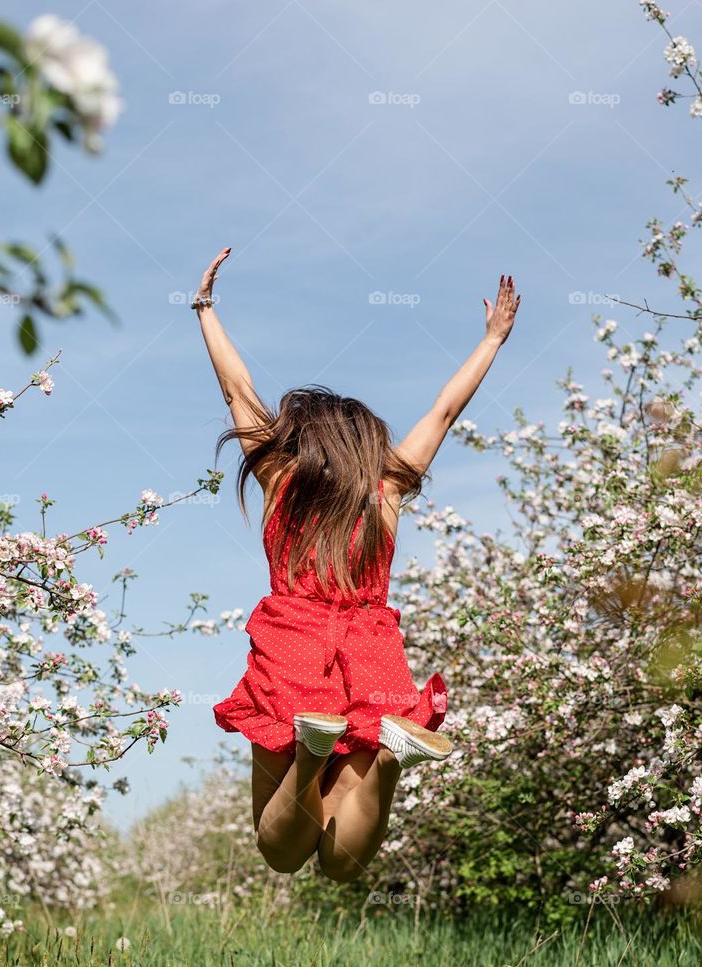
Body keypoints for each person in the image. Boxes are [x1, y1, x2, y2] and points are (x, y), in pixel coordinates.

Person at [193, 247, 520, 883]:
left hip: (293, 641)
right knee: (344, 866)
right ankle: (392, 757)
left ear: (301, 437)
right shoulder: (388, 488)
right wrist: (493, 341)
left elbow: (236, 388)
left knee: (282, 854)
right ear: (365, 443)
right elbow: (444, 411)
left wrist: (204, 308)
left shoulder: (279, 474)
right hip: (372, 646)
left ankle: (309, 758)